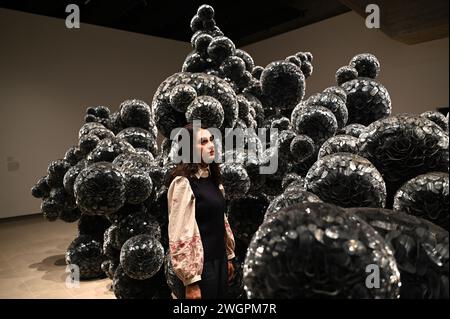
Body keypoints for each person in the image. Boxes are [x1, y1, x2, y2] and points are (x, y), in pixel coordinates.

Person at [167, 123, 236, 299]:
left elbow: (221, 221)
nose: (211, 145)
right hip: (201, 269)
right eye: (203, 142)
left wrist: (228, 256)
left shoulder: (212, 179)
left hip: (219, 261)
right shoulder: (184, 183)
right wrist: (191, 281)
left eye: (211, 140)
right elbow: (180, 232)